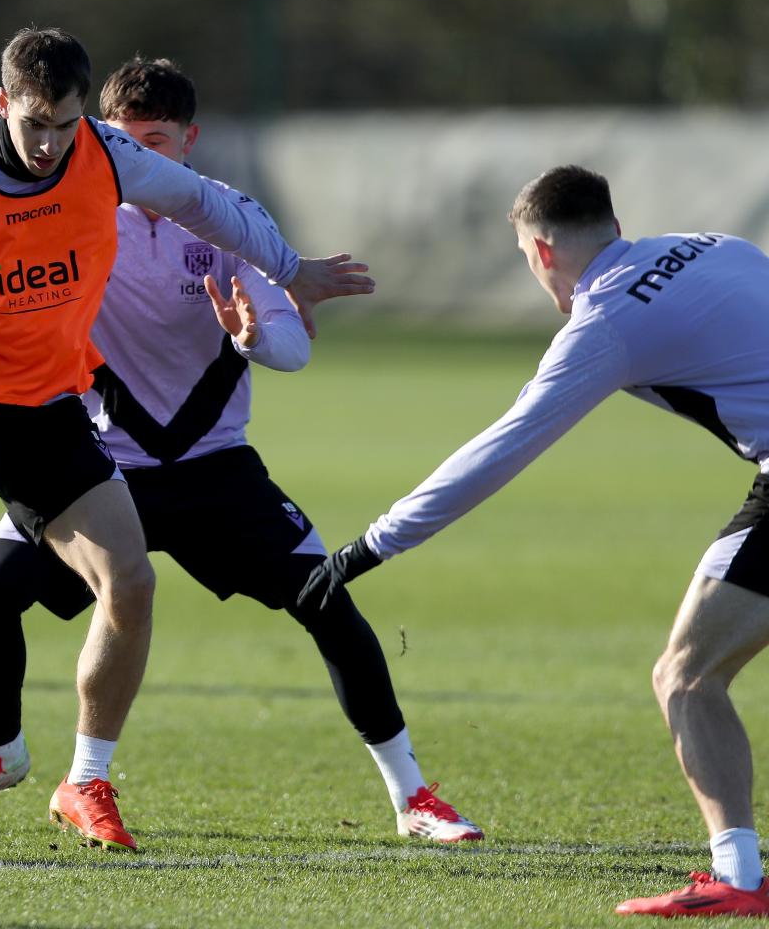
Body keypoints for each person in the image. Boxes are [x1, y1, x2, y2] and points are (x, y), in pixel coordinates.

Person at [0, 27, 375, 853]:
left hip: (48, 405)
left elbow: (212, 206)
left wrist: (291, 270)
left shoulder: (106, 155)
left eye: (66, 126)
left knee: (131, 581)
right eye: (35, 124)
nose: (50, 145)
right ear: (3, 105)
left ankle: (86, 781)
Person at [0, 56, 482, 849]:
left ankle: (412, 795)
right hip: (101, 466)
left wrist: (253, 334)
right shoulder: (69, 213)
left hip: (215, 468)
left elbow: (291, 350)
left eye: (157, 142)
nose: (138, 160)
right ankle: (9, 755)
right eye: (122, 142)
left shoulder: (229, 219)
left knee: (327, 601)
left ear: (190, 141)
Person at [303, 164, 769, 917]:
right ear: (613, 225)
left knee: (685, 677)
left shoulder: (608, 319)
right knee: (691, 672)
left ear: (543, 251)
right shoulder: (716, 244)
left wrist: (370, 546)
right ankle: (740, 876)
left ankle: (740, 881)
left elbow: (500, 449)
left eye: (525, 258)